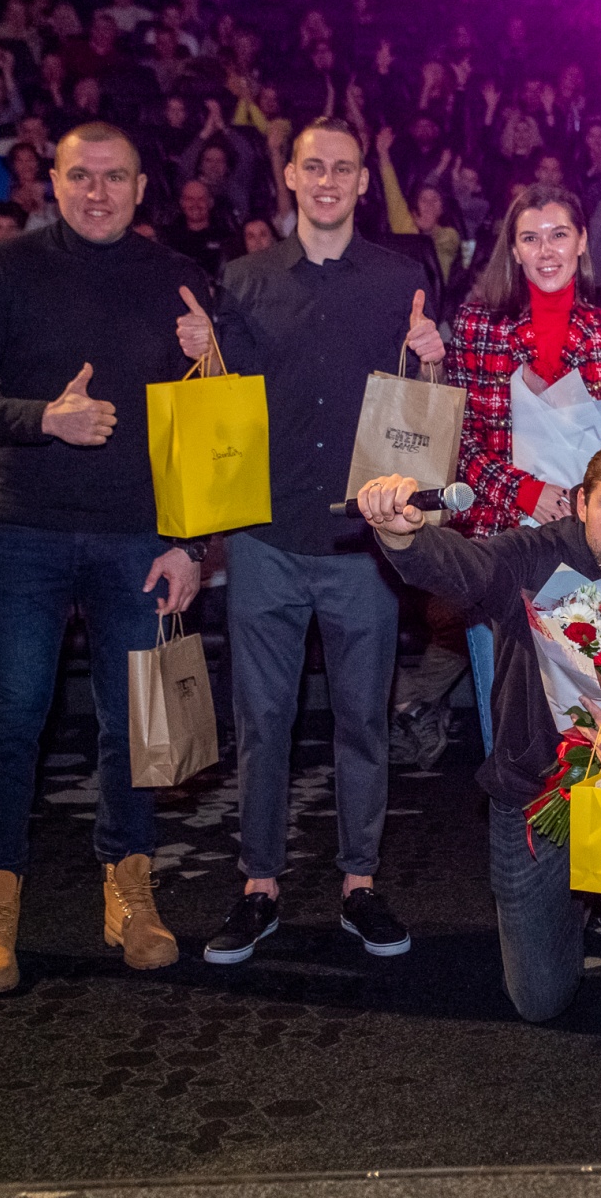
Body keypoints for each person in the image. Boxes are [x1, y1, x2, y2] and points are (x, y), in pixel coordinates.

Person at [355, 440, 601, 1096]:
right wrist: (404, 538)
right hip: (539, 789)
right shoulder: (536, 555)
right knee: (539, 999)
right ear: (580, 504)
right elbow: (467, 569)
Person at [0, 123, 210, 995]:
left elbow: (208, 426)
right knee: (13, 724)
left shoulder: (176, 276)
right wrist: (43, 419)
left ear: (141, 187)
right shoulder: (4, 269)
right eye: (81, 176)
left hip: (138, 537)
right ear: (51, 182)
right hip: (24, 532)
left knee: (133, 726)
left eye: (115, 177)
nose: (98, 192)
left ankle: (130, 896)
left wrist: (191, 542)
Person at [176, 118, 443, 966]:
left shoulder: (401, 278)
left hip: (362, 542)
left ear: (364, 181)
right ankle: (259, 887)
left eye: (343, 168)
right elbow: (222, 407)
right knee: (263, 722)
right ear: (289, 176)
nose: (327, 179)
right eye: (313, 166)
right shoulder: (244, 278)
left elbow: (422, 407)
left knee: (363, 721)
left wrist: (433, 360)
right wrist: (203, 354)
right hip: (265, 537)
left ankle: (360, 884)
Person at [398, 185, 601, 761]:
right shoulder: (478, 325)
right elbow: (462, 441)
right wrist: (526, 490)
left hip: (590, 547)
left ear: (581, 242)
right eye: (530, 238)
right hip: (501, 540)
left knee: (591, 720)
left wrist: (588, 499)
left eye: (559, 235)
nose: (546, 250)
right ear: (513, 250)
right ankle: (516, 820)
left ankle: (588, 820)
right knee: (508, 724)